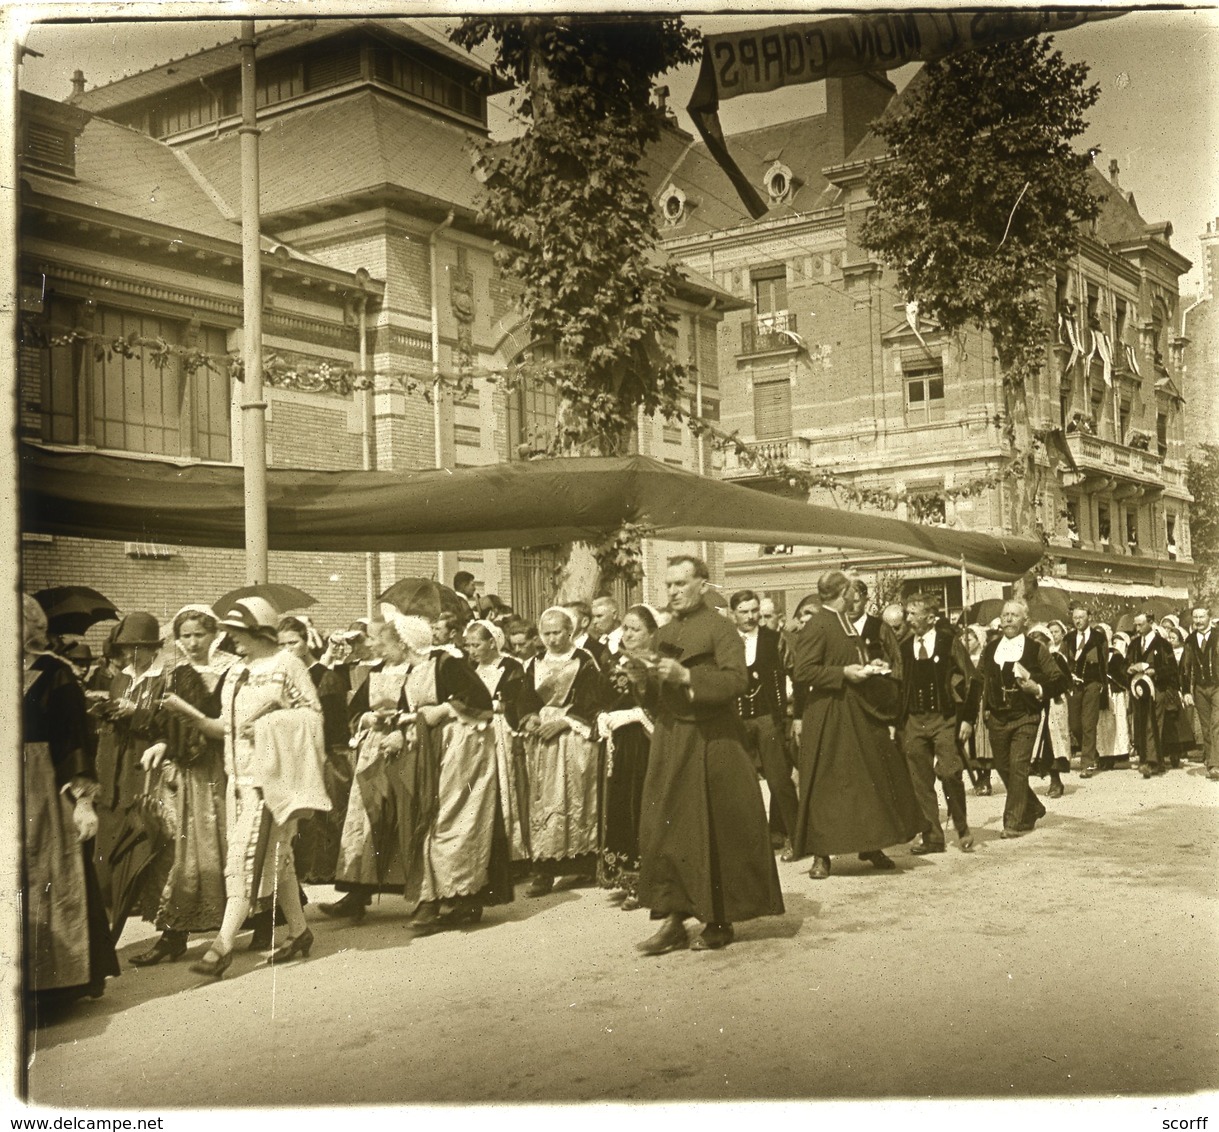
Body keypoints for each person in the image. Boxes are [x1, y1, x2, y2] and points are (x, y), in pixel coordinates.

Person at [166, 597, 329, 977]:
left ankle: (221, 947)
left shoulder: (287, 665)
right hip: (237, 780)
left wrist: (273, 725)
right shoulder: (238, 672)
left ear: (259, 631)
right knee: (278, 859)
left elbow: (314, 717)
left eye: (238, 633)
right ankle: (300, 932)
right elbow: (225, 726)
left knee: (242, 859)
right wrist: (186, 712)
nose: (232, 640)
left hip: (271, 782)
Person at [634, 556, 784, 953]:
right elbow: (652, 697)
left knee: (716, 828)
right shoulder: (663, 631)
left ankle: (719, 919)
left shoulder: (721, 629)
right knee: (667, 829)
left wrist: (687, 676)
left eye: (681, 583)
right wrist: (640, 680)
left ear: (703, 584)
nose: (673, 591)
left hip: (713, 740)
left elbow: (737, 680)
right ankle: (673, 920)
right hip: (670, 741)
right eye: (668, 585)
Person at [384, 611, 513, 934]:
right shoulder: (413, 670)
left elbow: (480, 699)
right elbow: (408, 710)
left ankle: (454, 897)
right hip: (433, 749)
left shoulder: (447, 662)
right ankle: (443, 897)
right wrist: (399, 730)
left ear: (404, 643)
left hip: (463, 748)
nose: (382, 651)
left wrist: (443, 709)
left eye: (386, 644)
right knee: (429, 818)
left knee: (454, 820)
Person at [791, 570, 925, 879]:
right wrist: (843, 675)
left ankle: (871, 844)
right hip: (828, 715)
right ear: (842, 594)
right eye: (851, 591)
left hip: (856, 711)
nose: (855, 596)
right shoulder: (817, 625)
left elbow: (848, 658)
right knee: (826, 785)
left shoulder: (846, 623)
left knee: (871, 778)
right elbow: (803, 671)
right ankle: (821, 855)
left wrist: (870, 666)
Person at [22, 595, 119, 1017]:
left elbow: (74, 742)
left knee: (47, 880)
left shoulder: (55, 674)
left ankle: (53, 986)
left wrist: (83, 803)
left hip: (41, 787)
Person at [128, 606, 231, 966]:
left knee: (231, 843)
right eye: (184, 636)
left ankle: (262, 919)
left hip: (224, 768)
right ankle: (174, 934)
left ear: (213, 634)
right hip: (189, 773)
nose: (191, 642)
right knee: (182, 852)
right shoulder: (176, 675)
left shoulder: (231, 670)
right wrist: (160, 745)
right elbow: (164, 723)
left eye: (198, 635)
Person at [323, 612, 415, 921]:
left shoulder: (417, 671)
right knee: (364, 817)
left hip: (406, 749)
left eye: (382, 643)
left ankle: (419, 889)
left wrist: (399, 726)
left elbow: (421, 707)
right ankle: (357, 891)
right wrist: (367, 719)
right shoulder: (375, 672)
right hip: (373, 749)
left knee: (402, 816)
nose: (376, 648)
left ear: (402, 644)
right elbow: (356, 710)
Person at [960, 600, 1068, 838]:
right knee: (1003, 767)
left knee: (1018, 766)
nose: (1008, 619)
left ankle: (1013, 822)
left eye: (1014, 616)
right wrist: (968, 718)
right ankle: (1033, 808)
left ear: (1024, 621)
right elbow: (977, 683)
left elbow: (1060, 679)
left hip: (1025, 716)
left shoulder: (1035, 648)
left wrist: (1037, 687)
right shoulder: (990, 649)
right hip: (997, 718)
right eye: (1005, 615)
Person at [94, 612, 173, 921]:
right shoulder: (121, 677)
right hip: (114, 767)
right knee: (109, 843)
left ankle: (145, 905)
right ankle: (115, 906)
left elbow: (167, 727)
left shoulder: (165, 678)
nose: (129, 653)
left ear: (153, 648)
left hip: (143, 767)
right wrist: (106, 712)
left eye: (136, 647)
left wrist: (136, 713)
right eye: (126, 647)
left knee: (141, 840)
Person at [519, 607, 604, 896]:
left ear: (570, 631)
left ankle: (583, 862)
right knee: (544, 799)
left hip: (572, 737)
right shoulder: (534, 663)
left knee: (576, 795)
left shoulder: (584, 661)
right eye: (547, 633)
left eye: (557, 632)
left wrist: (564, 722)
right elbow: (523, 697)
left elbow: (594, 699)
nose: (552, 639)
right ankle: (545, 868)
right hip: (543, 739)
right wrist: (529, 717)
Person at [279, 616, 353, 885]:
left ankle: (330, 870)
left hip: (328, 754)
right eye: (283, 644)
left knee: (330, 816)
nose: (288, 649)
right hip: (299, 754)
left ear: (306, 641)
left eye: (293, 642)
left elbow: (335, 725)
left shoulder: (325, 676)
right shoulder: (287, 677)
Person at [898, 592, 974, 855]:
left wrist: (967, 719)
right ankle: (932, 837)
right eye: (906, 613)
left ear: (930, 618)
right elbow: (898, 683)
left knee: (950, 771)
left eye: (912, 614)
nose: (907, 619)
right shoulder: (905, 646)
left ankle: (962, 827)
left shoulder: (948, 642)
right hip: (914, 721)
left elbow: (971, 680)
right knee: (920, 779)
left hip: (944, 719)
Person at [595, 605, 659, 910]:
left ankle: (646, 878)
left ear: (651, 633)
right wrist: (602, 716)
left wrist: (636, 715)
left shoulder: (657, 664)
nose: (628, 634)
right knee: (620, 806)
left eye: (636, 629)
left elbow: (662, 706)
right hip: (619, 745)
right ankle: (625, 874)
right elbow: (601, 697)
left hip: (646, 745)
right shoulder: (613, 661)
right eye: (626, 628)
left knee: (642, 806)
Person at [729, 589, 798, 859]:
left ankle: (796, 837)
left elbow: (796, 672)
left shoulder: (774, 639)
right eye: (744, 612)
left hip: (768, 717)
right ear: (733, 614)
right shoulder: (727, 643)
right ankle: (748, 843)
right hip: (736, 720)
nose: (750, 616)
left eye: (754, 611)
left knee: (779, 779)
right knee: (740, 783)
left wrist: (789, 714)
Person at [464, 618, 531, 863]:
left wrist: (498, 705)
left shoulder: (512, 667)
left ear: (492, 643)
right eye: (468, 646)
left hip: (501, 731)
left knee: (505, 784)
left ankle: (514, 853)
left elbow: (518, 700)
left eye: (476, 645)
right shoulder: (471, 669)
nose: (472, 651)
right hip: (477, 732)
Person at [1127, 611, 1179, 778]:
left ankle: (1153, 762)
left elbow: (1172, 668)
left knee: (1154, 724)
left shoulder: (1162, 644)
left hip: (1157, 689)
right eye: (1135, 625)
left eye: (1140, 624)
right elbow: (1125, 665)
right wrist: (1129, 669)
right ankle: (1147, 759)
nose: (1137, 628)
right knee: (1141, 723)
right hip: (1139, 691)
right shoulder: (1134, 644)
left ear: (1150, 622)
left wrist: (1155, 671)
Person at [1062, 605, 1110, 778]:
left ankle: (1087, 763)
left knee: (1089, 723)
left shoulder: (1098, 638)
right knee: (1075, 724)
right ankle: (1093, 754)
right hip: (1074, 686)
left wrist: (1103, 685)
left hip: (1092, 684)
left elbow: (1104, 663)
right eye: (1075, 617)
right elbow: (1063, 662)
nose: (1078, 620)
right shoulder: (1068, 639)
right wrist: (1069, 678)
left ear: (1089, 617)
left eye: (1081, 617)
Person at [1029, 624, 1071, 799]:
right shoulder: (1028, 660)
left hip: (1054, 705)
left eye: (1040, 643)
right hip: (1035, 705)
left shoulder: (1057, 657)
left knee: (1053, 743)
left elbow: (1065, 681)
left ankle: (1056, 781)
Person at [953, 624, 993, 794]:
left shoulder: (984, 657)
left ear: (979, 640)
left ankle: (986, 777)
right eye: (963, 638)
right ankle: (977, 775)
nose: (965, 641)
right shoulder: (962, 658)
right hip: (968, 702)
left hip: (982, 699)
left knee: (983, 741)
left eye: (969, 639)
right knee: (971, 742)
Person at [1181, 605, 1219, 781]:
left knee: (1216, 724)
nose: (1198, 621)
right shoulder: (1189, 641)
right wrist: (1186, 691)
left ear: (1209, 617)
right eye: (1195, 617)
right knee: (1205, 727)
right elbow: (1185, 668)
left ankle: (1214, 764)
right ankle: (1212, 760)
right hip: (1199, 689)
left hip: (1217, 686)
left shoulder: (1218, 636)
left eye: (1201, 617)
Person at [563, 600, 611, 672]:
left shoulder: (599, 651)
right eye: (562, 619)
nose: (563, 623)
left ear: (584, 622)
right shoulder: (557, 648)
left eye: (569, 619)